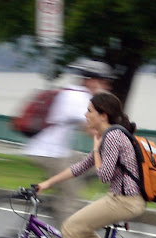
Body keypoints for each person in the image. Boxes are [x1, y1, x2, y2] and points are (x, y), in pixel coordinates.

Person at [37, 92, 147, 238]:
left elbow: (103, 175)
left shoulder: (113, 137)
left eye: (90, 111)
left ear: (103, 115)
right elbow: (80, 167)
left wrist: (96, 150)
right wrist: (47, 183)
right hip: (119, 198)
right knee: (81, 228)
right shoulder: (109, 136)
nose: (85, 115)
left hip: (125, 201)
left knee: (70, 228)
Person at [24, 59, 115, 227]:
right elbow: (92, 130)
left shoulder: (77, 94)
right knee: (72, 197)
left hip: (58, 152)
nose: (105, 87)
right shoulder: (78, 97)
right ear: (90, 80)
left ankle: (57, 205)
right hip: (48, 154)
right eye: (103, 82)